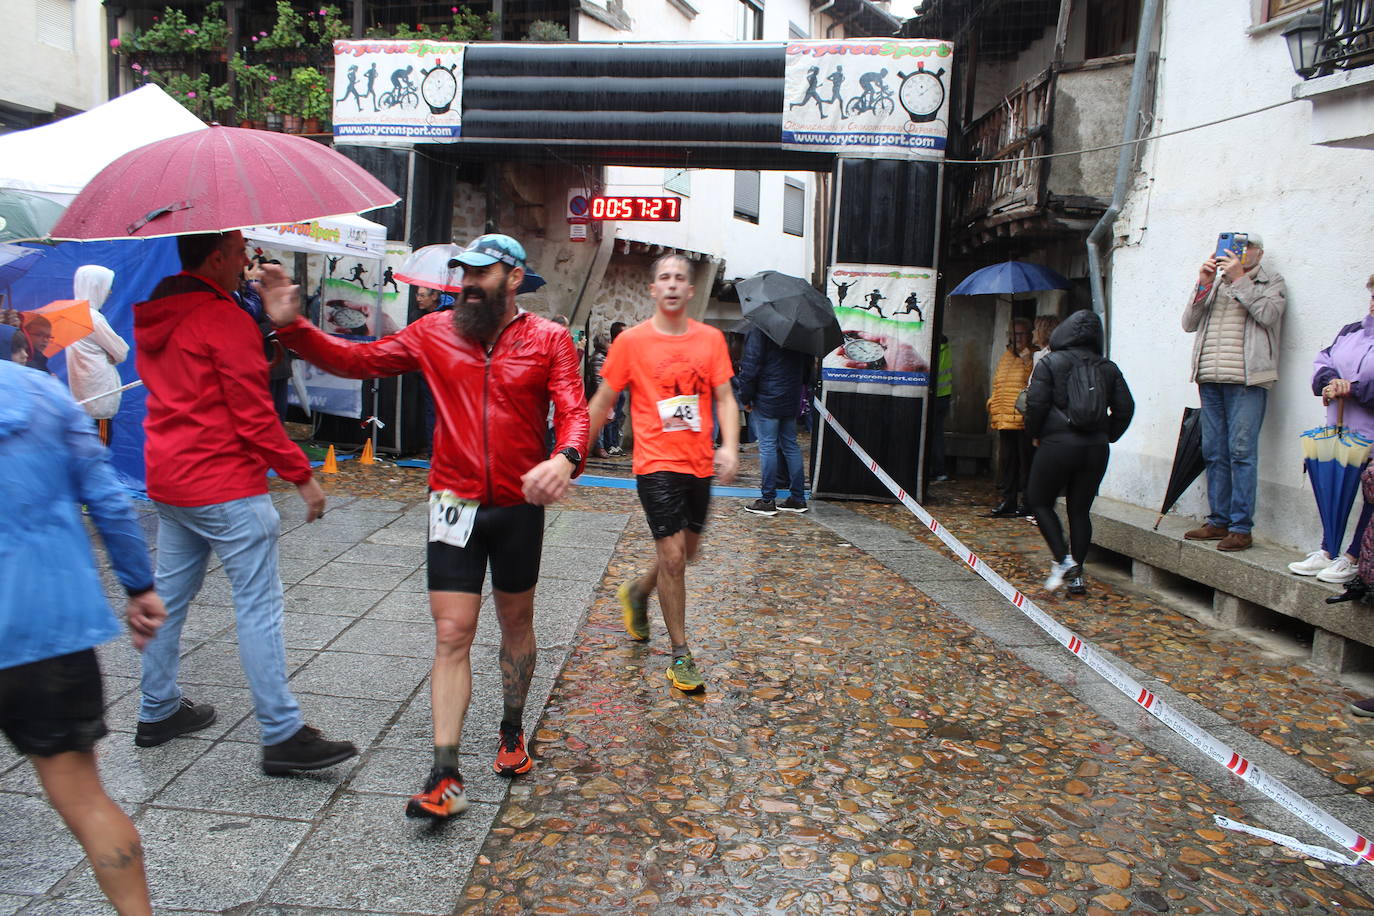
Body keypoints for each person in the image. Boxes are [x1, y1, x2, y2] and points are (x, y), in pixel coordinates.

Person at [261, 233, 589, 820]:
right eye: (462, 270)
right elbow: (358, 360)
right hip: (453, 502)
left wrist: (564, 458)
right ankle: (445, 774)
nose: (465, 281)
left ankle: (512, 730)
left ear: (512, 278)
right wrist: (293, 328)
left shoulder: (549, 338)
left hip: (518, 506)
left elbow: (572, 407)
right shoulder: (434, 332)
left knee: (516, 623)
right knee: (452, 632)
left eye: (481, 272)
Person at [133, 231, 356, 776]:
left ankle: (156, 708)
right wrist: (301, 475)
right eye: (238, 253)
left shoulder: (157, 312)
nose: (246, 263)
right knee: (259, 605)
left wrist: (266, 326)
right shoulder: (222, 317)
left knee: (171, 597)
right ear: (215, 258)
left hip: (170, 477)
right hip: (224, 481)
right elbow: (253, 409)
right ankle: (282, 733)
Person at [1, 357, 167, 915]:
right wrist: (140, 586)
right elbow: (108, 499)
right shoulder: (44, 396)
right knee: (86, 799)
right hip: (46, 624)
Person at [585, 254, 739, 693]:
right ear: (653, 290)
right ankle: (680, 655)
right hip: (654, 462)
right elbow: (603, 400)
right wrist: (572, 452)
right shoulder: (631, 342)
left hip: (698, 463)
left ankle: (637, 592)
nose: (671, 285)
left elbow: (725, 398)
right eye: (664, 278)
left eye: (679, 279)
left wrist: (728, 446)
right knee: (673, 558)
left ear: (690, 292)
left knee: (685, 554)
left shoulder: (710, 340)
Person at [1182, 234, 1286, 551]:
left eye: (1243, 247)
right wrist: (1203, 283)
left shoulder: (1271, 281)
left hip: (1246, 380)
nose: (1234, 252)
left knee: (1241, 452)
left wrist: (1240, 279)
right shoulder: (1215, 282)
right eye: (1230, 246)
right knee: (1214, 451)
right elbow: (1189, 323)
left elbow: (1268, 315)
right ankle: (1218, 521)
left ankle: (1241, 527)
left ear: (1259, 253)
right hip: (1210, 376)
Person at [1023, 310, 1135, 596]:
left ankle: (1063, 560)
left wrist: (1035, 434)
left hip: (1057, 445)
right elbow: (1126, 408)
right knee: (1080, 510)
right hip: (1096, 449)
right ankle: (1077, 578)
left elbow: (1035, 403)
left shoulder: (1051, 363)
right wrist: (1108, 435)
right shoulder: (1108, 367)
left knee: (1039, 500)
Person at [1287, 273, 1374, 584]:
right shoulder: (1353, 331)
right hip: (1342, 428)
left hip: (1370, 429)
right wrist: (1329, 382)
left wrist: (1354, 387)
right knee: (1334, 489)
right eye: (1373, 295)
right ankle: (1328, 550)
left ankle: (1352, 557)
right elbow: (1324, 360)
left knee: (1370, 495)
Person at [737, 324, 808, 515]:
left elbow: (750, 367)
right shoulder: (800, 331)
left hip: (767, 397)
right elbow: (807, 368)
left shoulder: (761, 329)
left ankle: (768, 500)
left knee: (767, 446)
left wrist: (745, 397)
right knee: (791, 445)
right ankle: (798, 498)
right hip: (791, 397)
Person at [66, 265, 130, 446]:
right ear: (95, 286)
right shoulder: (92, 317)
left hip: (82, 395)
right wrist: (111, 354)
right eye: (106, 286)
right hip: (99, 397)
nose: (109, 292)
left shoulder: (72, 314)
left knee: (85, 450)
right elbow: (121, 351)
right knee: (99, 450)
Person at [987, 318, 1034, 517]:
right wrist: (992, 404)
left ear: (1029, 335)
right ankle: (1008, 500)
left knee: (1026, 463)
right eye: (1014, 334)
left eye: (1021, 334)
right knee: (1008, 462)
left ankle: (1028, 502)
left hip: (1021, 418)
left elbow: (1031, 382)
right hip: (1004, 417)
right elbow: (999, 384)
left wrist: (1026, 360)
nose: (1017, 338)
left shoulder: (1032, 356)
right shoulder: (1006, 356)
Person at [928, 334, 952, 481]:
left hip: (935, 398)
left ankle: (936, 469)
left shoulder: (933, 351)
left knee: (933, 435)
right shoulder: (946, 349)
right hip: (944, 396)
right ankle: (939, 470)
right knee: (937, 434)